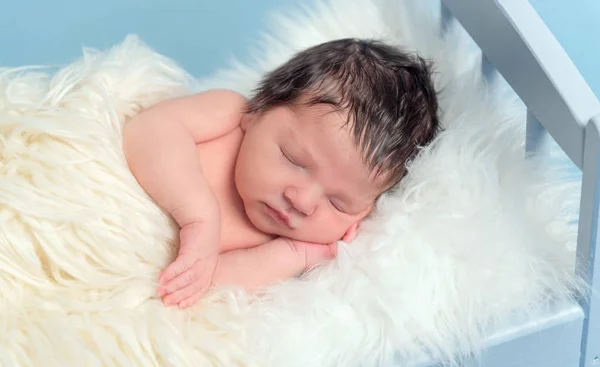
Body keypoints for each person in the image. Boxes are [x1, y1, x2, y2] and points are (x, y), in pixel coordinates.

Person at [123, 38, 440, 309]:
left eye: (338, 203)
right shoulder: (230, 115)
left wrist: (292, 254)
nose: (302, 201)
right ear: (260, 110)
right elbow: (148, 130)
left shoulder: (282, 242)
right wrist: (199, 216)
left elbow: (202, 290)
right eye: (294, 159)